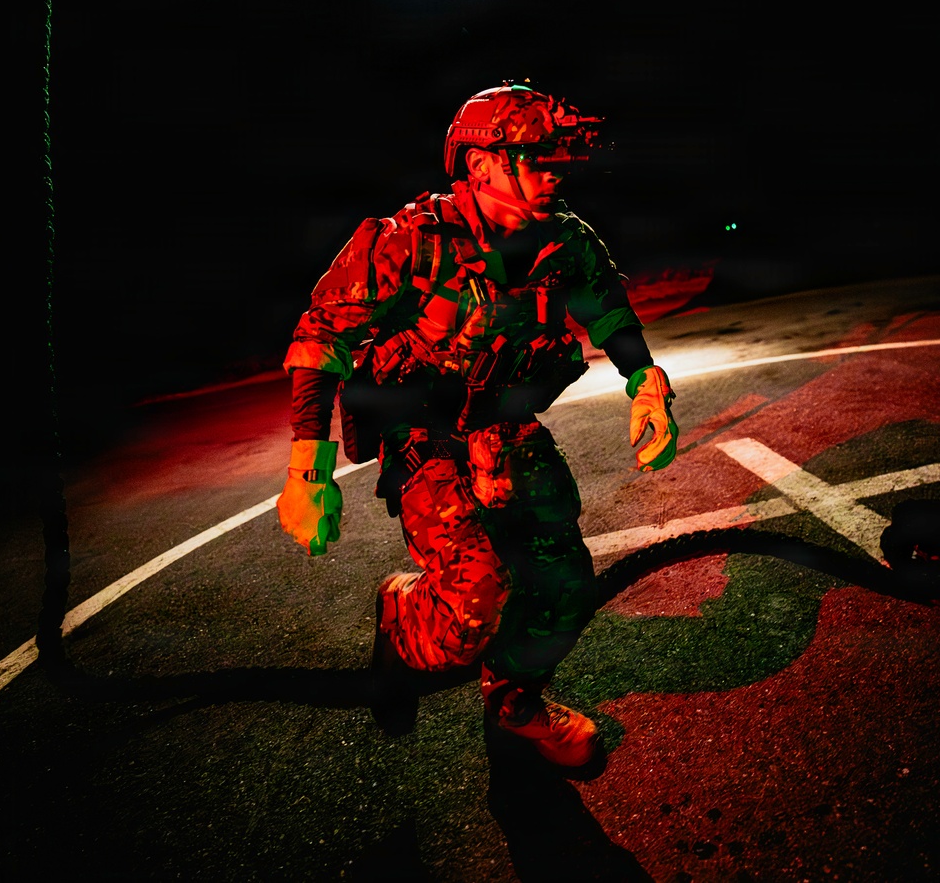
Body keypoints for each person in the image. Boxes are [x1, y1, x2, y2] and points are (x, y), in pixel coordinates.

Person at [275, 83, 679, 770]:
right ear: (481, 163)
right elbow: (321, 336)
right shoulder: (408, 243)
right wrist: (307, 469)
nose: (554, 173)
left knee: (565, 585)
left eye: (558, 160)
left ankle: (516, 700)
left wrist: (645, 381)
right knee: (475, 602)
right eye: (534, 158)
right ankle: (402, 618)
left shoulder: (565, 239)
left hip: (509, 429)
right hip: (426, 438)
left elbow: (606, 306)